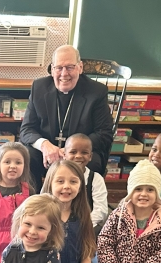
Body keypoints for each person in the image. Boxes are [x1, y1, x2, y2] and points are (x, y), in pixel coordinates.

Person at [19, 45, 115, 185]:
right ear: (52, 70)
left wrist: (72, 150)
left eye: (70, 67)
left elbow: (104, 133)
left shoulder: (96, 92)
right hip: (46, 153)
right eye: (59, 68)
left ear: (80, 67)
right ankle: (37, 202)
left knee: (92, 162)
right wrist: (45, 145)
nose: (64, 74)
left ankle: (78, 205)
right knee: (26, 156)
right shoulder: (39, 88)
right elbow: (26, 129)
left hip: (79, 153)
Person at [41, 159, 96, 263]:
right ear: (50, 183)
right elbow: (36, 256)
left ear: (80, 186)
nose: (66, 186)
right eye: (60, 181)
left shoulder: (82, 216)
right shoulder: (43, 216)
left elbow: (87, 254)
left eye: (73, 181)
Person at [64, 133, 109, 234]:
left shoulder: (96, 179)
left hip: (86, 226)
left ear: (90, 156)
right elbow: (46, 201)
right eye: (73, 152)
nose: (78, 156)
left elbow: (101, 209)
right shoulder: (56, 176)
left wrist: (83, 226)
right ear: (64, 154)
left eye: (84, 152)